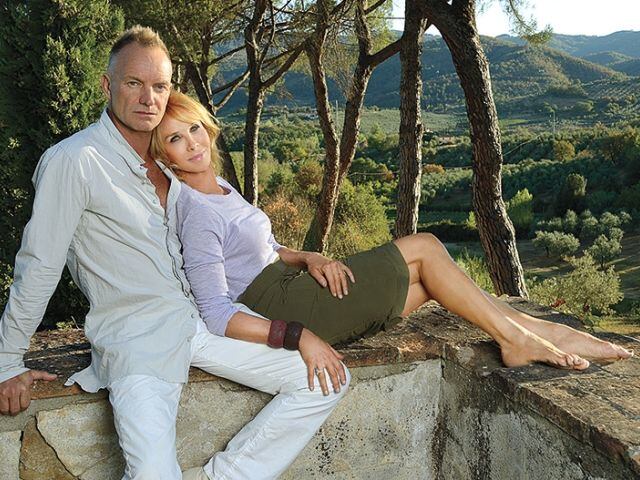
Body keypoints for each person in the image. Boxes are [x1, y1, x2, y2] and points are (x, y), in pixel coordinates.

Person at [0, 26, 350, 480]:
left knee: (323, 382)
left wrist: (299, 256)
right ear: (108, 86)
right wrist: (7, 361)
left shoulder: (169, 165)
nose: (149, 98)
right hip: (138, 343)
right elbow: (39, 265)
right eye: (133, 83)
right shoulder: (75, 160)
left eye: (160, 86)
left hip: (198, 326)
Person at [150, 90, 633, 374]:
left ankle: (540, 333)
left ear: (207, 127)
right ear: (162, 155)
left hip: (292, 284)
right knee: (423, 248)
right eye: (175, 138)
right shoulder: (195, 211)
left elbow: (264, 249)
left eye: (193, 128)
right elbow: (215, 312)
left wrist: (310, 257)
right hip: (281, 308)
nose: (191, 143)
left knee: (429, 286)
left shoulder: (219, 187)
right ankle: (526, 338)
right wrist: (298, 336)